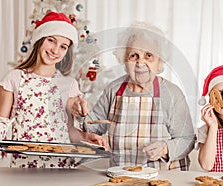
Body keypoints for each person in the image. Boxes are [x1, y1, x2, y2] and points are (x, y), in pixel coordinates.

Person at [0, 11, 106, 168]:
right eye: (51, 40)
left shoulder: (69, 84)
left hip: (61, 167)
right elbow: (2, 120)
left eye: (63, 47)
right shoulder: (14, 78)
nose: (55, 50)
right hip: (23, 166)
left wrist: (86, 136)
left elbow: (69, 130)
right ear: (39, 39)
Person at [76, 22, 196, 170]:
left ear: (159, 62)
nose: (141, 63)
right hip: (122, 176)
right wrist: (81, 112)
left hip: (166, 177)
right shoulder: (113, 90)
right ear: (124, 60)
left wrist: (166, 148)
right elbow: (92, 128)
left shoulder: (172, 93)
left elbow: (187, 139)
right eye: (133, 56)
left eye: (149, 56)